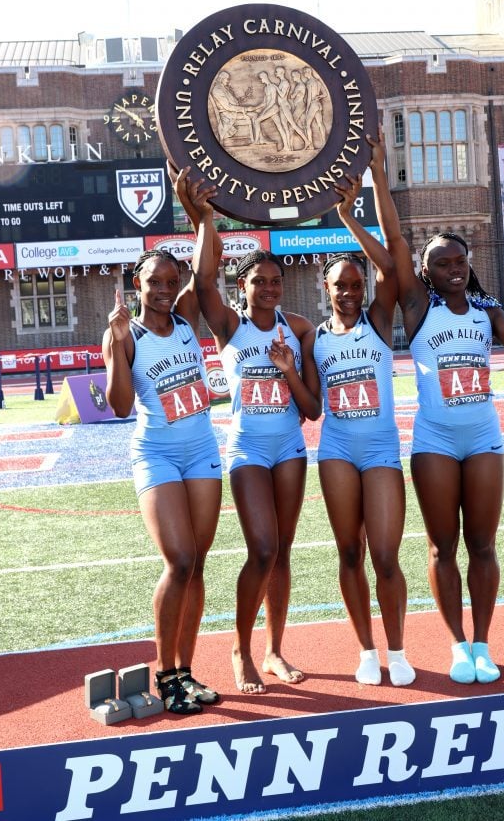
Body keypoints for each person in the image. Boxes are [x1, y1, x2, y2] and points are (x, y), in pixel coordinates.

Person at [378, 154, 504, 684]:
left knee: (484, 545)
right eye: (443, 263)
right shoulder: (416, 306)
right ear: (426, 271)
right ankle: (456, 644)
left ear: (469, 265)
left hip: (483, 437)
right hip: (435, 440)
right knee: (441, 547)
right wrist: (379, 176)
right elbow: (396, 241)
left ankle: (482, 643)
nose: (454, 269)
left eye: (460, 262)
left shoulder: (485, 309)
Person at [172, 165, 321, 694]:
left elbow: (312, 409)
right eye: (259, 281)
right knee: (261, 548)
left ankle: (275, 649)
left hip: (290, 446)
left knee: (283, 550)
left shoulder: (299, 328)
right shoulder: (229, 326)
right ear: (243, 286)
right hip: (247, 448)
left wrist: (288, 370)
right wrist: (205, 219)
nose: (269, 288)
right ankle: (240, 648)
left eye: (276, 281)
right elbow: (202, 283)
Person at [308, 151, 415, 687]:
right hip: (335, 451)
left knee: (386, 556)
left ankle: (398, 649)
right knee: (349, 552)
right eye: (340, 286)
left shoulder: (377, 320)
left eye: (355, 285)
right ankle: (366, 651)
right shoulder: (314, 339)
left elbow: (392, 266)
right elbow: (310, 403)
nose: (349, 293)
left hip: (380, 450)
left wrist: (350, 216)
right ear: (325, 289)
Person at [102, 248, 222, 715]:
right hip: (157, 454)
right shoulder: (125, 334)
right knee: (180, 560)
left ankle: (186, 673)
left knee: (198, 565)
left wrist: (204, 216)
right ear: (138, 284)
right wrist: (116, 345)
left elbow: (207, 262)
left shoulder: (186, 316)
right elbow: (119, 406)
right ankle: (166, 673)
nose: (165, 290)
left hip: (202, 451)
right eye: (155, 282)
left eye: (172, 282)